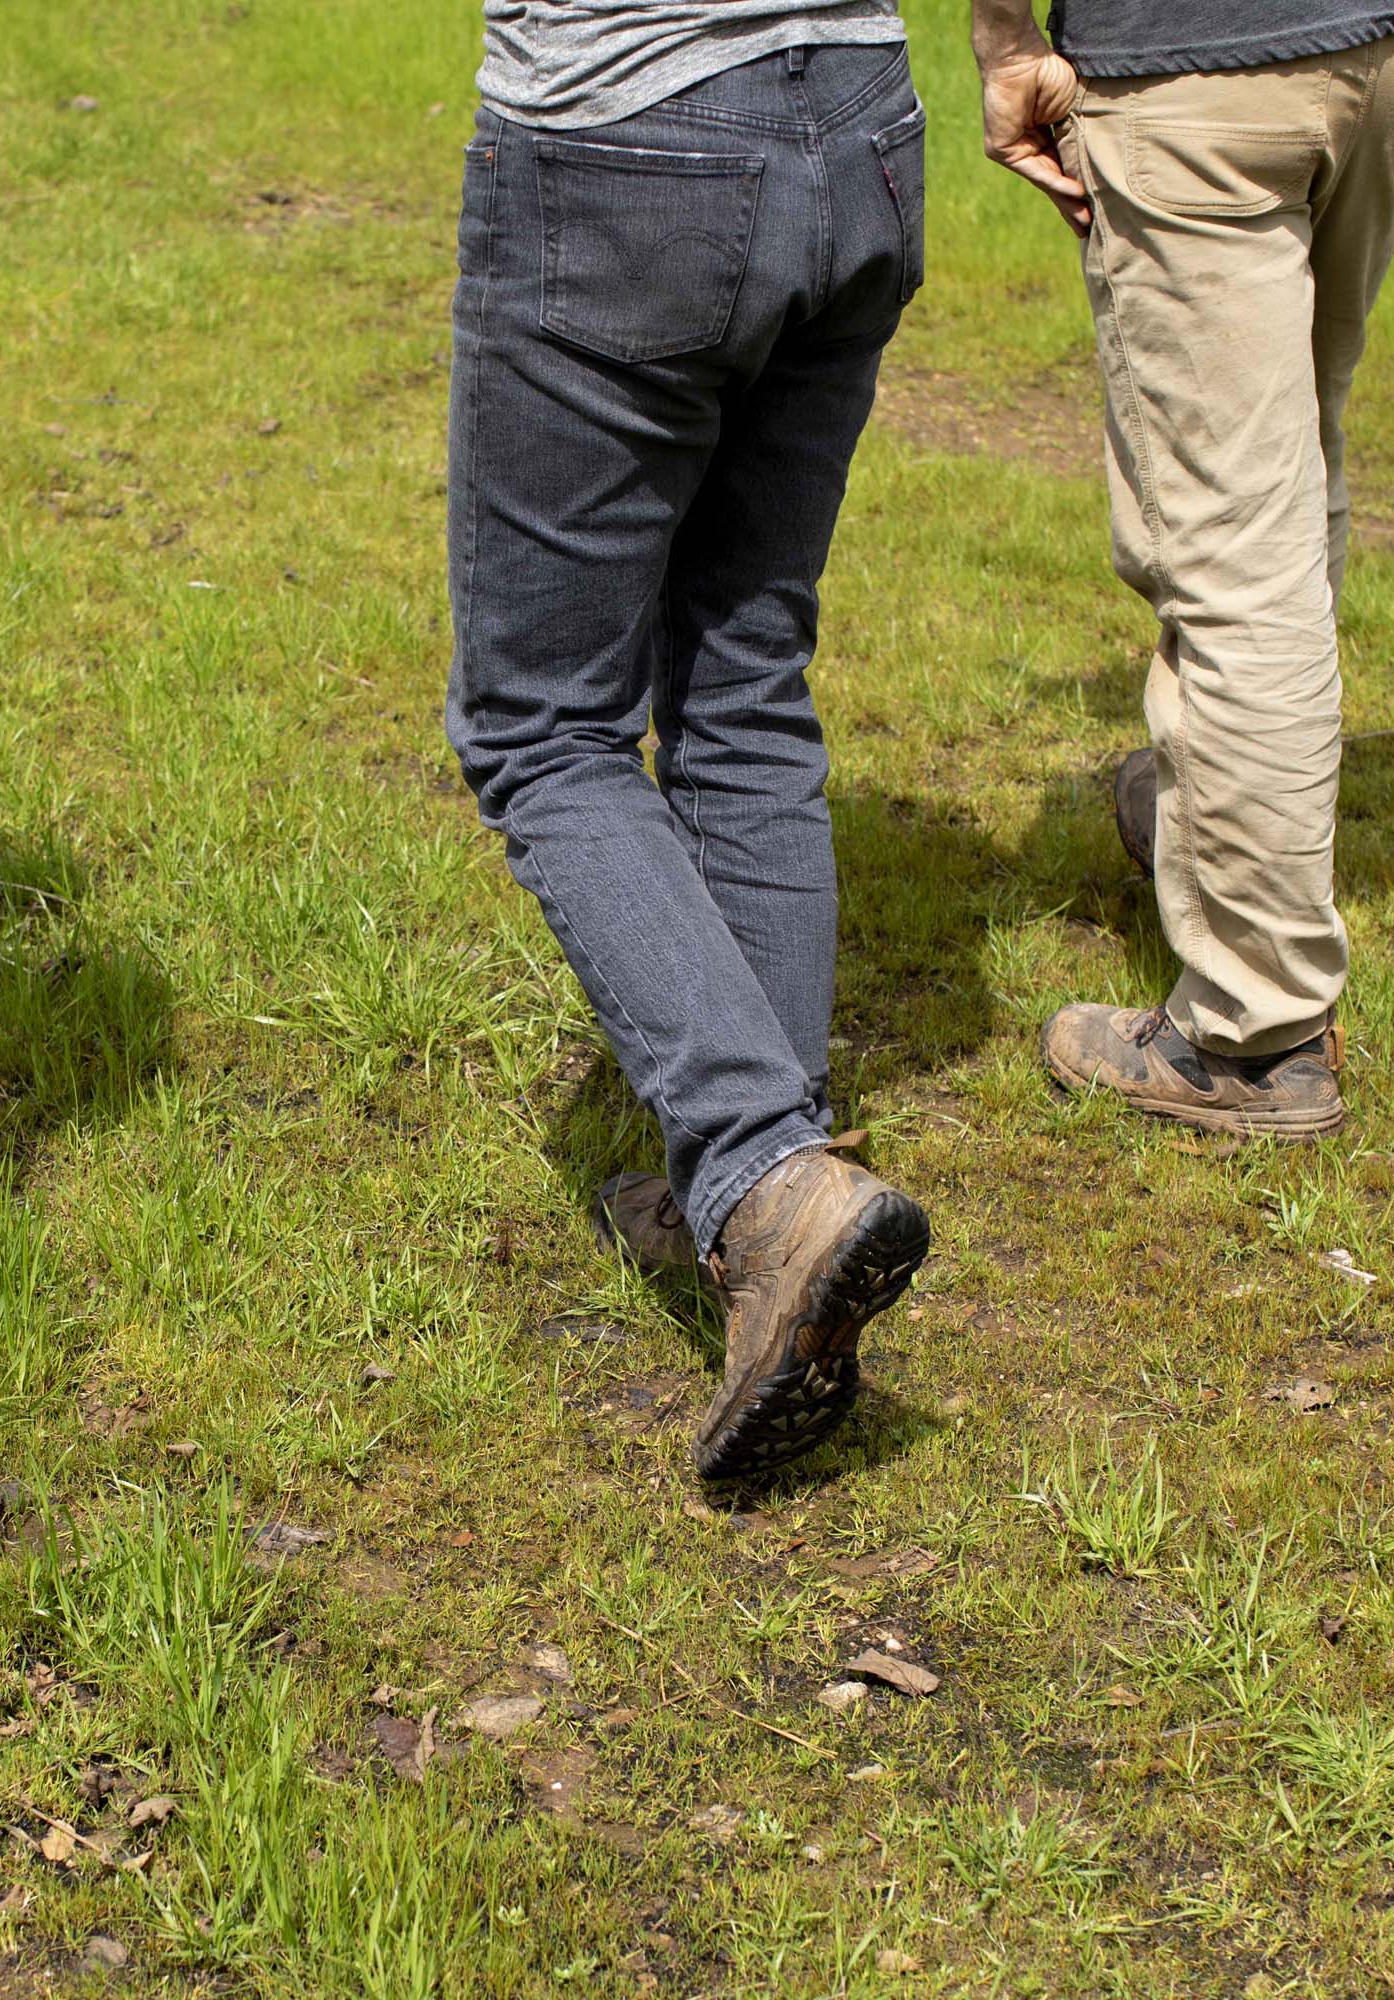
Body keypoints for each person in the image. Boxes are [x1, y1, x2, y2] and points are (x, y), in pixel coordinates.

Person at [448, 0, 935, 1482]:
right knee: (744, 672)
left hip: (626, 136)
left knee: (545, 731)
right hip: (860, 116)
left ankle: (759, 1173)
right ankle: (764, 1207)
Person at [971, 0, 1394, 1140]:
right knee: (1293, 453)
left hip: (1198, 67)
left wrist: (1006, 42)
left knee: (1234, 538)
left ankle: (1254, 1034)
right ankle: (1221, 827)